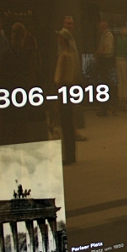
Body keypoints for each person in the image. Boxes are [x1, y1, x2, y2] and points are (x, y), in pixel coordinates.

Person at [55, 29, 79, 164]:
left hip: (63, 89)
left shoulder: (64, 56)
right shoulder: (73, 55)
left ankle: (68, 155)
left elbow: (60, 77)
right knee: (69, 123)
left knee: (65, 124)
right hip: (70, 88)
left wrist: (58, 98)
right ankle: (71, 154)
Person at [95, 21, 116, 116]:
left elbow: (107, 50)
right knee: (103, 83)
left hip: (106, 62)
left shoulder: (108, 36)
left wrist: (99, 54)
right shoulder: (103, 36)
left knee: (106, 83)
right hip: (102, 61)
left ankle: (107, 107)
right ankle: (104, 107)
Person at [114, 26, 127, 112]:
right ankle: (125, 98)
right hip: (124, 60)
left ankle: (120, 97)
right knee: (124, 79)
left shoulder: (117, 39)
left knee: (120, 80)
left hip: (118, 59)